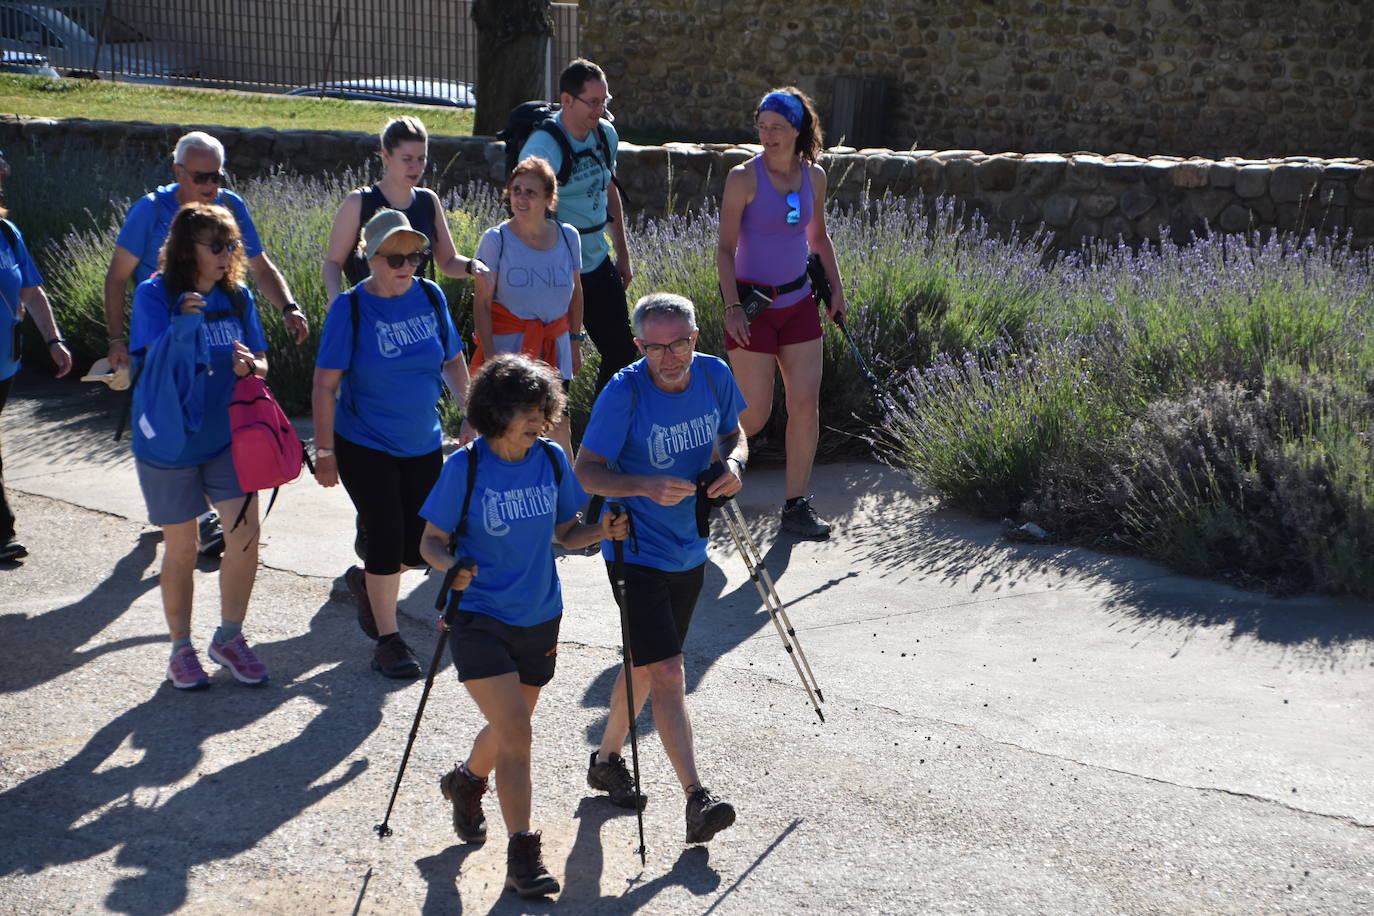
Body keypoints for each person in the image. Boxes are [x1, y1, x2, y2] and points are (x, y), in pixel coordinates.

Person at [419, 353, 626, 899]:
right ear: (495, 411)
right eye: (525, 410)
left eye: (543, 409)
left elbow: (566, 532)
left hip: (541, 615)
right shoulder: (464, 468)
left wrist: (602, 531)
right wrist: (451, 566)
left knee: (509, 729)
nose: (539, 420)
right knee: (519, 732)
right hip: (480, 617)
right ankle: (522, 853)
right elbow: (430, 543)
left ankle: (465, 781)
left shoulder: (553, 461)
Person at [574, 292, 748, 845]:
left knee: (646, 665)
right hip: (634, 550)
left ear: (696, 338)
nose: (669, 358)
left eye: (679, 344)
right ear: (639, 345)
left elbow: (734, 434)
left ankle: (604, 761)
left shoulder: (715, 376)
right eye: (656, 348)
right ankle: (698, 799)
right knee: (669, 670)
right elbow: (587, 472)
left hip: (690, 546)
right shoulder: (623, 394)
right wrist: (643, 485)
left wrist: (736, 465)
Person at [104, 131, 309, 557]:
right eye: (201, 176)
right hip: (163, 337)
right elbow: (118, 276)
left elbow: (258, 263)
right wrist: (117, 339)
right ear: (178, 172)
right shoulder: (150, 211)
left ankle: (198, 515)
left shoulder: (230, 207)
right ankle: (196, 517)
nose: (211, 185)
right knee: (176, 427)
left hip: (215, 338)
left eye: (217, 175)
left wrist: (288, 305)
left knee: (217, 428)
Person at [312, 208, 469, 679]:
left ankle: (367, 582)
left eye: (414, 256)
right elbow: (324, 385)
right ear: (370, 258)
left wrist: (471, 412)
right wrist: (324, 452)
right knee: (384, 535)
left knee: (421, 545)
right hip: (364, 441)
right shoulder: (351, 308)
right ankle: (389, 640)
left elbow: (454, 359)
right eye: (394, 257)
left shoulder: (429, 294)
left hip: (421, 439)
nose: (406, 266)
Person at [127, 202, 270, 689]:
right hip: (169, 444)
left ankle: (229, 637)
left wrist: (252, 367)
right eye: (216, 245)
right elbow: (156, 367)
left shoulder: (238, 296)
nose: (227, 254)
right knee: (182, 547)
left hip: (225, 438)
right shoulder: (154, 295)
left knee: (245, 535)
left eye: (231, 244)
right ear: (188, 250)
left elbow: (263, 363)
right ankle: (180, 649)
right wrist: (185, 320)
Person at [716, 87, 847, 539]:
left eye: (776, 126)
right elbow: (725, 249)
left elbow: (819, 239)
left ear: (797, 129)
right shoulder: (743, 178)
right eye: (762, 126)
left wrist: (837, 291)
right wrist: (732, 306)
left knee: (805, 405)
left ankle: (795, 506)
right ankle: (705, 475)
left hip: (798, 305)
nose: (766, 134)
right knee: (752, 416)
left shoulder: (815, 178)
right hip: (753, 309)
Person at [518, 58, 638, 395]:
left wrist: (623, 256)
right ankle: (555, 441)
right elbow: (524, 212)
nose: (600, 111)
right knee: (557, 369)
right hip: (555, 272)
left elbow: (608, 189)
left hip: (597, 263)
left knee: (622, 353)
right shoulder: (543, 148)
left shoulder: (605, 135)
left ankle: (600, 437)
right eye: (593, 102)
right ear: (567, 100)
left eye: (604, 102)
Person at [469, 156, 583, 455]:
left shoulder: (569, 237)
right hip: (509, 351)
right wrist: (492, 356)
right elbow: (481, 303)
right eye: (516, 189)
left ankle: (563, 496)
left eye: (530, 192)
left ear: (548, 197)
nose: (520, 197)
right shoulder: (496, 240)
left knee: (558, 426)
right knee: (508, 430)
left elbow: (576, 293)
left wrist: (575, 341)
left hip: (554, 348)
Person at [322, 116, 486, 301]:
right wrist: (336, 298)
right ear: (386, 156)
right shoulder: (358, 202)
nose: (415, 167)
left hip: (415, 311)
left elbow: (448, 262)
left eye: (421, 159)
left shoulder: (428, 200)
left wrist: (473, 266)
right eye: (407, 159)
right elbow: (333, 262)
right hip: (369, 311)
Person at [0, 151, 72, 561]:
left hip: (4, 362)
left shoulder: (7, 233)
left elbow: (32, 291)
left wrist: (54, 340)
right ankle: (2, 532)